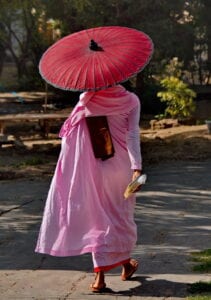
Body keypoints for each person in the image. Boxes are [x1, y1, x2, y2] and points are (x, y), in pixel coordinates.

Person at [35, 83, 142, 292]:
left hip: (93, 166)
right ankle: (124, 264)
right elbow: (132, 135)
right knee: (120, 217)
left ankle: (101, 277)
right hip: (121, 167)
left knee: (98, 217)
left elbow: (73, 135)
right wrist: (136, 167)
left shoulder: (87, 99)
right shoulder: (131, 100)